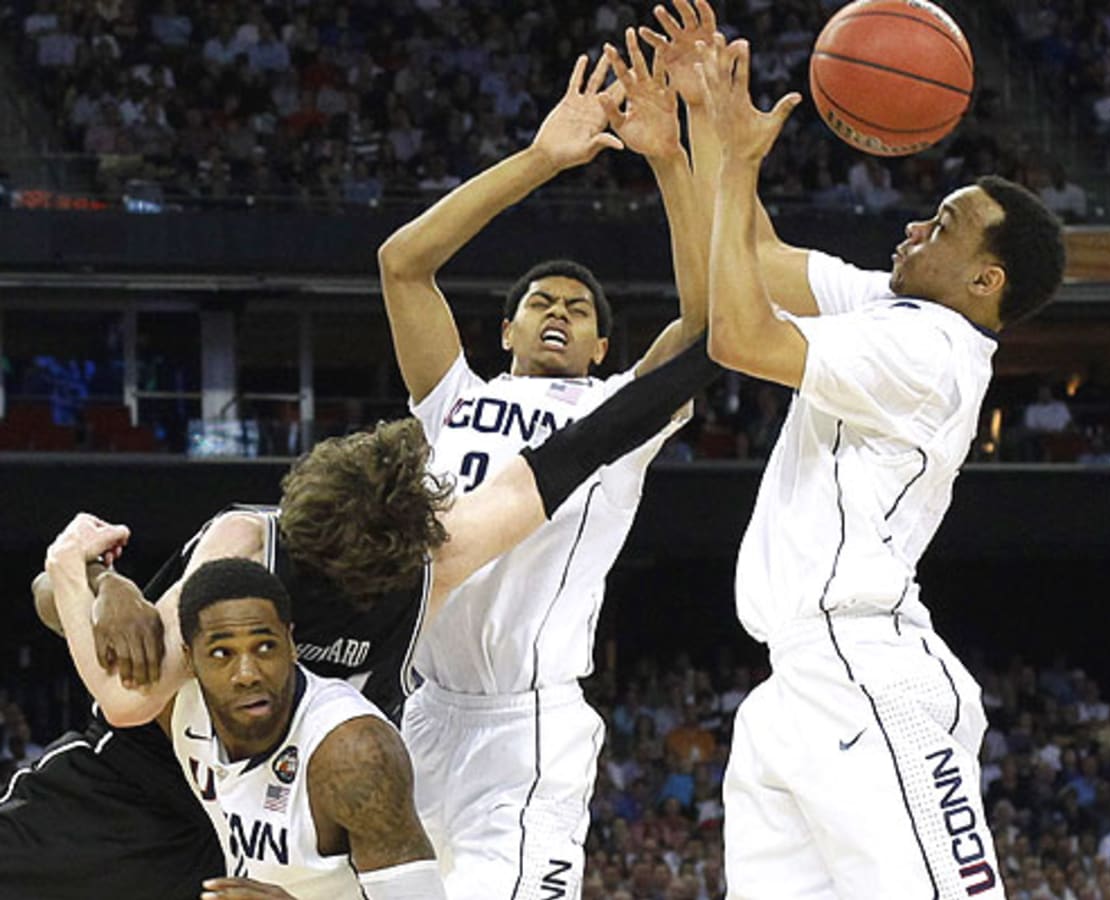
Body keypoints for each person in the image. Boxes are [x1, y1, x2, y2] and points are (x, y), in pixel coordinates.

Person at [4, 337, 718, 900]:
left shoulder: (430, 557)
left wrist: (717, 350)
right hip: (152, 783)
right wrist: (93, 580)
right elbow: (129, 694)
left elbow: (584, 446)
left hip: (289, 825)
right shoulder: (246, 545)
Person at [645, 5, 1065, 895]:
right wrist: (707, 116)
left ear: (985, 280)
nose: (916, 228)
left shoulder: (929, 352)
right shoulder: (891, 305)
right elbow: (754, 254)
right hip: (795, 682)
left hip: (873, 676)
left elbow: (741, 336)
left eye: (943, 226)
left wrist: (741, 160)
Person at [376, 50, 706, 898]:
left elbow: (713, 327)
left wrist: (668, 159)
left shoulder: (620, 408)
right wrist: (541, 159)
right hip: (423, 711)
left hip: (529, 726)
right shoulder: (453, 396)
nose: (559, 312)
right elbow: (403, 263)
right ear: (507, 331)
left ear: (601, 347)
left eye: (580, 310)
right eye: (541, 304)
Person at [42, 549, 437, 900]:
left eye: (264, 646)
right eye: (221, 653)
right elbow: (48, 594)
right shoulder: (180, 702)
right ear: (188, 660)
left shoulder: (353, 752)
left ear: (291, 642)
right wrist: (109, 584)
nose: (247, 673)